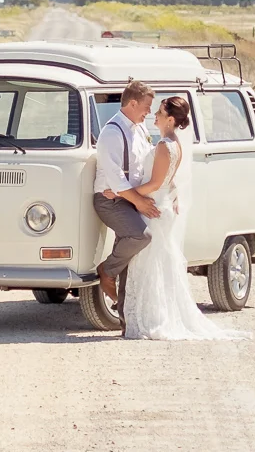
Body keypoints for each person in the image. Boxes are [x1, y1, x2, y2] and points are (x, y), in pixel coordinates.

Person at [123, 95, 243, 341]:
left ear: (169, 119)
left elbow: (156, 182)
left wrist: (128, 195)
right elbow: (169, 181)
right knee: (159, 260)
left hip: (154, 207)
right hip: (162, 204)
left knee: (151, 261)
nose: (154, 115)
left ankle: (154, 318)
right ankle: (157, 314)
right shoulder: (174, 143)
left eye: (159, 112)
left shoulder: (164, 146)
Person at [92, 79, 158, 307]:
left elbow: (146, 162)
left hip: (127, 198)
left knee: (131, 258)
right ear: (132, 103)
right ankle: (107, 270)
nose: (149, 112)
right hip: (109, 201)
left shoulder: (140, 128)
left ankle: (125, 316)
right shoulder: (111, 132)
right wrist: (139, 202)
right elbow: (116, 179)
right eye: (147, 107)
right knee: (141, 236)